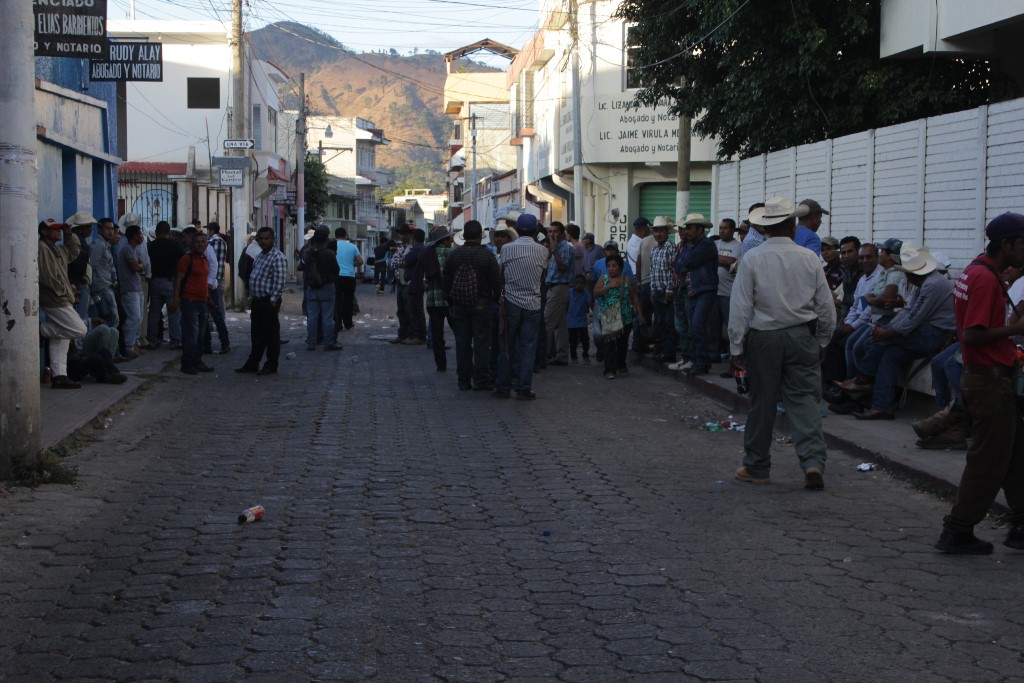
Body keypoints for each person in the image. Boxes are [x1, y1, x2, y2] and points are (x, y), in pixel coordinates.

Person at [729, 198, 836, 490]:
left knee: (762, 402)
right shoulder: (809, 257)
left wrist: (736, 348)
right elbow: (826, 307)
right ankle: (813, 462)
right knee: (804, 401)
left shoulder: (752, 258)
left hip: (763, 338)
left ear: (764, 228)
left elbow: (740, 307)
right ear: (792, 225)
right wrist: (823, 340)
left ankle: (757, 466)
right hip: (802, 335)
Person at [936, 212, 1024, 555]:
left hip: (985, 379)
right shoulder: (985, 279)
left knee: (1015, 456)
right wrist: (1016, 330)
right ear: (1008, 245)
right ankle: (957, 530)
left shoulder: (977, 270)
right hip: (989, 382)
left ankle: (1021, 524)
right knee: (988, 461)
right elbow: (973, 335)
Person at [835, 245, 956, 420]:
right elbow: (908, 311)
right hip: (925, 329)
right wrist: (887, 328)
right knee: (890, 355)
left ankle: (863, 379)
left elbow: (913, 318)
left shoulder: (932, 284)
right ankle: (882, 405)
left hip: (935, 333)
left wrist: (887, 332)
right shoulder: (925, 282)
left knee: (880, 341)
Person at [494, 214, 548, 400]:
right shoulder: (542, 251)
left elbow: (501, 275)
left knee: (507, 346)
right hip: (533, 304)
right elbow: (542, 277)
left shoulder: (507, 249)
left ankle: (503, 386)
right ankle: (524, 388)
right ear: (535, 230)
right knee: (528, 347)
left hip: (510, 303)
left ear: (516, 229)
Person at [444, 220, 502, 390]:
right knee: (482, 342)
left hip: (459, 306)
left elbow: (446, 280)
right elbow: (496, 282)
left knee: (462, 342)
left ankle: (463, 379)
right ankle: (481, 379)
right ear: (480, 236)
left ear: (463, 236)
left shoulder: (454, 255)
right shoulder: (487, 256)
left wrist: (450, 301)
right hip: (482, 304)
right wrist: (499, 300)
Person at [38, 218, 89, 388]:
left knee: (62, 336)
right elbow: (47, 278)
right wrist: (67, 291)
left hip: (60, 297)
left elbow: (74, 252)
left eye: (59, 229)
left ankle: (59, 375)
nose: (58, 231)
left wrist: (70, 235)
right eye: (54, 229)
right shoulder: (42, 249)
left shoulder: (57, 249)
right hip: (55, 299)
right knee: (79, 329)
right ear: (44, 232)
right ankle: (40, 330)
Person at [236, 227, 287, 375]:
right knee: (257, 334)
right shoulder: (260, 255)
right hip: (257, 300)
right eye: (261, 239)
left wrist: (273, 299)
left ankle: (271, 365)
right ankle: (252, 363)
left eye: (267, 238)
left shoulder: (278, 257)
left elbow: (279, 280)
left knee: (271, 335)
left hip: (268, 301)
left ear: (273, 239)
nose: (264, 241)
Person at [677, 213, 719, 376]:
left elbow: (685, 262)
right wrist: (685, 261)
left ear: (700, 229)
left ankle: (702, 361)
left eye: (690, 228)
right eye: (686, 228)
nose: (686, 231)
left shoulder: (706, 244)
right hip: (694, 289)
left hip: (704, 289)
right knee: (694, 326)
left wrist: (685, 261)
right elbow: (678, 265)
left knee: (697, 325)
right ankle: (699, 361)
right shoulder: (691, 245)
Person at [594, 254, 645, 379]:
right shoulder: (603, 278)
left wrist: (640, 314)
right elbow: (595, 293)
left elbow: (634, 297)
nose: (611, 268)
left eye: (614, 266)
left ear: (620, 267)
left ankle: (621, 365)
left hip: (625, 316)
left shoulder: (626, 280)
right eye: (609, 266)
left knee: (622, 343)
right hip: (609, 315)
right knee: (609, 344)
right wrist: (608, 286)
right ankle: (610, 369)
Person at [171, 231, 214, 375]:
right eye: (197, 242)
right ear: (192, 243)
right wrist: (176, 298)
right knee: (191, 334)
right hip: (189, 301)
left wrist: (208, 299)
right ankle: (187, 363)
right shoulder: (186, 259)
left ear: (206, 244)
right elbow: (178, 279)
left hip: (202, 301)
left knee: (201, 334)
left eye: (203, 242)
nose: (200, 244)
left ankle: (197, 361)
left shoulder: (204, 259)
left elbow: (203, 282)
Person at [147, 221, 185, 350]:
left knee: (154, 313)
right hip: (170, 281)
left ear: (157, 233)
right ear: (169, 233)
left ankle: (151, 340)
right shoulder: (176, 245)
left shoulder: (151, 246)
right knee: (173, 312)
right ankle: (175, 341)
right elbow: (183, 260)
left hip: (154, 281)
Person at [303, 227, 342, 351]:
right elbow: (336, 270)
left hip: (311, 288)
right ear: (326, 240)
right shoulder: (329, 253)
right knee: (328, 317)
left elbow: (301, 267)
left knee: (312, 316)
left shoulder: (307, 253)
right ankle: (329, 341)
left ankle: (311, 342)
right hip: (327, 287)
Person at [423, 226, 455, 371]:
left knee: (437, 335)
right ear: (445, 240)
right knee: (460, 333)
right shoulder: (453, 254)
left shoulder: (428, 254)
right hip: (450, 300)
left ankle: (440, 365)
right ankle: (465, 365)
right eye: (450, 238)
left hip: (432, 300)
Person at [543, 221, 574, 366]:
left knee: (547, 323)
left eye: (554, 231)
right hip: (553, 288)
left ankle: (541, 356)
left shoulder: (565, 248)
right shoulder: (554, 248)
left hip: (559, 289)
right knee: (560, 326)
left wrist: (554, 251)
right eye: (549, 231)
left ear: (562, 233)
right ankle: (562, 356)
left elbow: (564, 268)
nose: (551, 234)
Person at [714, 218, 742, 373]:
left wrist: (716, 258)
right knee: (713, 328)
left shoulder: (738, 246)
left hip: (729, 293)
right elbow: (723, 261)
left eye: (725, 228)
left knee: (732, 328)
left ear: (732, 230)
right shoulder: (715, 244)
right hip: (714, 292)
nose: (722, 231)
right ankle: (714, 356)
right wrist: (723, 261)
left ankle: (735, 361)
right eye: (720, 228)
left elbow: (732, 262)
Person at [649, 218, 678, 364]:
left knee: (669, 323)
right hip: (658, 291)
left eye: (661, 231)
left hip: (668, 292)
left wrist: (670, 290)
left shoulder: (671, 247)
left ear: (667, 232)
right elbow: (653, 271)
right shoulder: (654, 249)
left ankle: (669, 353)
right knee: (659, 323)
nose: (658, 234)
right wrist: (653, 290)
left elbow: (673, 271)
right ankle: (662, 351)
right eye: (656, 231)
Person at [115, 224, 146, 355]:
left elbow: (140, 265)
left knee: (139, 318)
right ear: (134, 236)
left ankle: (133, 344)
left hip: (136, 288)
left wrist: (140, 265)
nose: (142, 237)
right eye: (140, 234)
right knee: (134, 318)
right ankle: (128, 346)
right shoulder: (127, 250)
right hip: (129, 290)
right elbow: (136, 267)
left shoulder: (134, 250)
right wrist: (140, 265)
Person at [202, 221, 231, 354]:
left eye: (208, 229)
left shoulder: (210, 244)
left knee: (212, 312)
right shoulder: (223, 242)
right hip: (218, 278)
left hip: (210, 281)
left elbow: (211, 264)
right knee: (218, 311)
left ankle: (213, 343)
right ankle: (222, 342)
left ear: (211, 230)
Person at [89, 216, 119, 331]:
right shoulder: (99, 245)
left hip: (107, 286)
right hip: (101, 288)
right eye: (107, 228)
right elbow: (92, 266)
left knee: (111, 318)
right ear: (100, 229)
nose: (111, 231)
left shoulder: (105, 245)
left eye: (112, 229)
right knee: (111, 319)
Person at [334, 227, 363, 331]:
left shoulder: (331, 246)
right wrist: (351, 264)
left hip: (336, 277)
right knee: (348, 301)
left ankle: (337, 324)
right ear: (345, 236)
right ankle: (348, 323)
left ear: (335, 236)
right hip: (349, 277)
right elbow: (360, 261)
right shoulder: (352, 246)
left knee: (336, 301)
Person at [389, 225, 412, 343]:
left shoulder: (413, 248)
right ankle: (402, 335)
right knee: (401, 311)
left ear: (410, 235)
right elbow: (393, 263)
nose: (402, 237)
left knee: (410, 311)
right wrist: (402, 261)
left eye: (405, 234)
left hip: (408, 283)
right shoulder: (400, 248)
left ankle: (411, 335)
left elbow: (406, 262)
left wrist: (402, 261)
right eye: (401, 234)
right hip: (400, 283)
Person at [567, 274, 591, 363]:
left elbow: (588, 308)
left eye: (581, 283)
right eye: (577, 282)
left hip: (582, 321)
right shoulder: (569, 292)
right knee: (572, 341)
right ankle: (574, 357)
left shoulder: (586, 294)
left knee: (585, 339)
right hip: (571, 320)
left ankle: (586, 355)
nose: (579, 285)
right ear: (573, 283)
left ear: (584, 284)